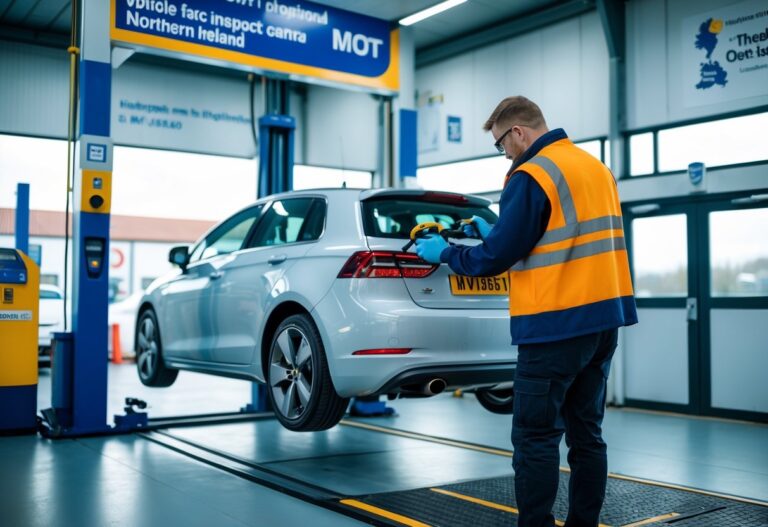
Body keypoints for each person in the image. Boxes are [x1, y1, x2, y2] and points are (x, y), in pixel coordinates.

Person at [415, 96, 638, 527]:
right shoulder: (594, 168)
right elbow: (556, 235)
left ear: (518, 132)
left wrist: (445, 252)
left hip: (553, 325)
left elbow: (495, 258)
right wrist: (496, 229)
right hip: (603, 323)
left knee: (535, 438)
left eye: (501, 144)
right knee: (587, 437)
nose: (504, 153)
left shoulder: (531, 174)